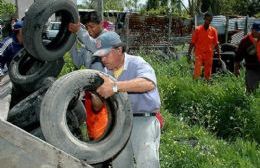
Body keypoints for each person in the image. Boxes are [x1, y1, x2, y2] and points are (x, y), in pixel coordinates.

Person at [94, 31, 161, 168]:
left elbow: (148, 84)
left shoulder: (137, 63)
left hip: (143, 121)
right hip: (120, 123)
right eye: (100, 56)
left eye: (106, 55)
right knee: (120, 164)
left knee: (146, 163)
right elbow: (96, 106)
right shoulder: (106, 73)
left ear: (119, 50)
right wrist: (96, 92)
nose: (103, 59)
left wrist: (114, 87)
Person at [188, 13, 220, 81]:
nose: (208, 21)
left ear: (211, 20)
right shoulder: (198, 30)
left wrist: (219, 57)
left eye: (210, 20)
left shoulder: (213, 31)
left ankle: (206, 85)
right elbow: (192, 43)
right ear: (204, 19)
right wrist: (189, 54)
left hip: (209, 54)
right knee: (197, 71)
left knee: (208, 72)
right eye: (207, 19)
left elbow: (216, 44)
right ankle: (195, 85)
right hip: (199, 53)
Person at [234, 21, 260, 93]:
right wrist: (236, 69)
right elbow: (238, 56)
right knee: (251, 90)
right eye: (257, 31)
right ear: (253, 30)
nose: (259, 33)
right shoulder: (245, 41)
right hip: (252, 69)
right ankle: (248, 103)